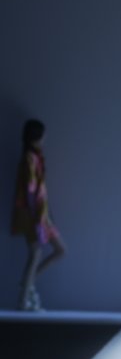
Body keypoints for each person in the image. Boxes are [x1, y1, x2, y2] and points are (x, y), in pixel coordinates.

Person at [11, 119, 67, 311]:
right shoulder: (29, 158)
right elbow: (30, 190)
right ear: (35, 137)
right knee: (36, 253)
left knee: (58, 250)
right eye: (42, 135)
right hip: (33, 215)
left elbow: (38, 190)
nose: (44, 139)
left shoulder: (35, 157)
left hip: (41, 214)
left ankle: (27, 285)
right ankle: (24, 298)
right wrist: (37, 218)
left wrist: (47, 215)